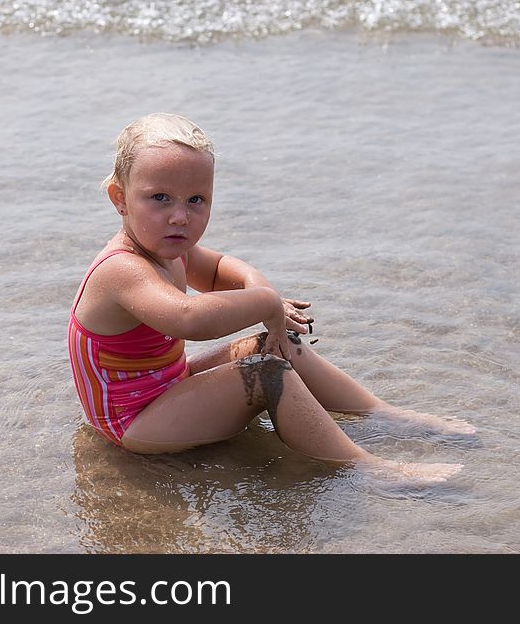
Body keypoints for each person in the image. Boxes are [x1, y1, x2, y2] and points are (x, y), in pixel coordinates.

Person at [68, 113, 475, 484]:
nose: (180, 216)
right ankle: (374, 470)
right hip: (134, 423)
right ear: (119, 198)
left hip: (167, 386)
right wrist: (265, 304)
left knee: (276, 346)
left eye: (196, 200)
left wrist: (268, 301)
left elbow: (226, 271)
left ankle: (385, 415)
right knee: (266, 373)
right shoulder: (122, 270)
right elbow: (188, 318)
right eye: (160, 198)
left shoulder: (169, 249)